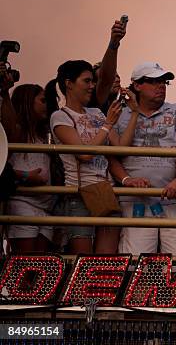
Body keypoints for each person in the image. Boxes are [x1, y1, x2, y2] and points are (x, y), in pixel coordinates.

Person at [45, 60, 138, 254]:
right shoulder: (60, 116)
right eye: (86, 81)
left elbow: (120, 147)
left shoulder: (96, 112)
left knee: (105, 263)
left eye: (93, 81)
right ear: (69, 83)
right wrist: (108, 124)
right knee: (83, 263)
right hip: (79, 193)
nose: (92, 86)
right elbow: (84, 154)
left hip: (105, 191)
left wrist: (135, 112)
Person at [109, 62, 176, 256]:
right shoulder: (119, 113)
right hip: (135, 199)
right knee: (136, 263)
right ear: (137, 85)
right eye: (154, 81)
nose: (161, 86)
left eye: (163, 82)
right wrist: (127, 180)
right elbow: (111, 156)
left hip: (173, 199)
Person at [6, 84, 54, 253]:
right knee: (25, 264)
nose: (47, 105)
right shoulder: (15, 132)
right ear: (27, 102)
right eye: (42, 100)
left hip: (46, 207)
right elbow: (2, 166)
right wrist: (25, 176)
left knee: (40, 266)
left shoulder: (44, 134)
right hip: (23, 202)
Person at [88, 19, 127, 114]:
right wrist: (114, 43)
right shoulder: (93, 109)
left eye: (117, 76)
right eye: (111, 78)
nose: (117, 80)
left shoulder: (126, 107)